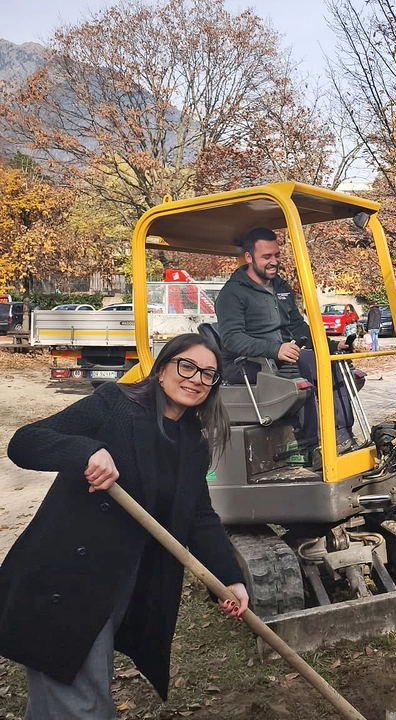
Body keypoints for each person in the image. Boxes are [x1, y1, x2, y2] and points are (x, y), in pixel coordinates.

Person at [0, 333, 250, 718]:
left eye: (208, 374)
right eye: (187, 366)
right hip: (67, 580)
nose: (196, 379)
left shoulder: (190, 440)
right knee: (80, 704)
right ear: (163, 369)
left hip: (121, 583)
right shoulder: (113, 404)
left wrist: (229, 579)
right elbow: (25, 441)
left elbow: (199, 516)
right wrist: (85, 451)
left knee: (80, 694)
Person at [215, 227, 355, 454]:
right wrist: (275, 349)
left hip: (283, 356)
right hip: (245, 364)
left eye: (276, 255)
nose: (274, 262)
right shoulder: (232, 294)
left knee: (331, 363)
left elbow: (297, 326)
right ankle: (309, 448)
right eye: (266, 257)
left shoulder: (280, 287)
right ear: (249, 257)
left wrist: (330, 346)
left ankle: (342, 437)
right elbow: (232, 339)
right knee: (303, 367)